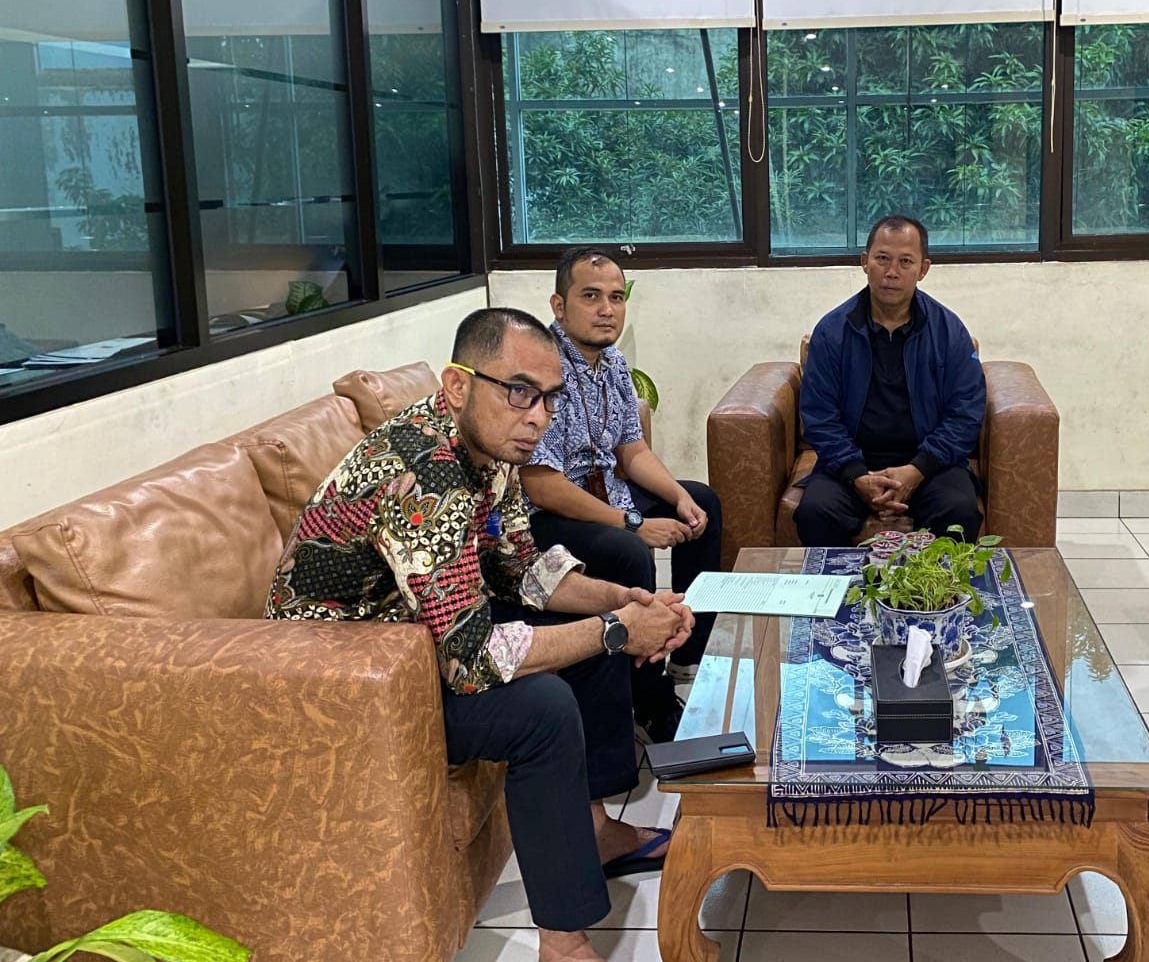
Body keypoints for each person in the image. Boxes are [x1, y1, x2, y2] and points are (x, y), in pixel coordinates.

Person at [266, 308, 694, 962]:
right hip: (344, 678)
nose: (538, 417)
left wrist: (623, 602)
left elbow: (522, 569)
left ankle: (597, 832)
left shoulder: (491, 448)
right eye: (520, 392)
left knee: (588, 642)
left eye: (549, 397)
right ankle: (564, 944)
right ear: (458, 384)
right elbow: (469, 659)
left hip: (417, 638)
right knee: (542, 708)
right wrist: (616, 631)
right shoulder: (422, 470)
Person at [521, 246, 722, 742]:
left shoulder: (611, 361)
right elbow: (541, 484)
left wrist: (678, 497)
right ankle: (649, 700)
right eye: (590, 296)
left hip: (606, 492)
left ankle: (687, 656)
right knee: (628, 550)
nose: (606, 309)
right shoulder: (541, 368)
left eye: (615, 297)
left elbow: (631, 451)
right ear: (559, 305)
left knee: (704, 504)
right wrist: (633, 523)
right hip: (550, 511)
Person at [793, 214, 987, 545]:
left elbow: (965, 413)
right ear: (864, 262)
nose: (892, 271)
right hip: (850, 466)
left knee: (959, 509)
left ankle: (937, 584)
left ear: (923, 269)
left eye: (905, 262)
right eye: (882, 258)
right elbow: (819, 415)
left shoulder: (949, 332)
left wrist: (917, 470)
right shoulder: (832, 332)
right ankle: (836, 583)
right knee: (816, 510)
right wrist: (857, 476)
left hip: (930, 466)